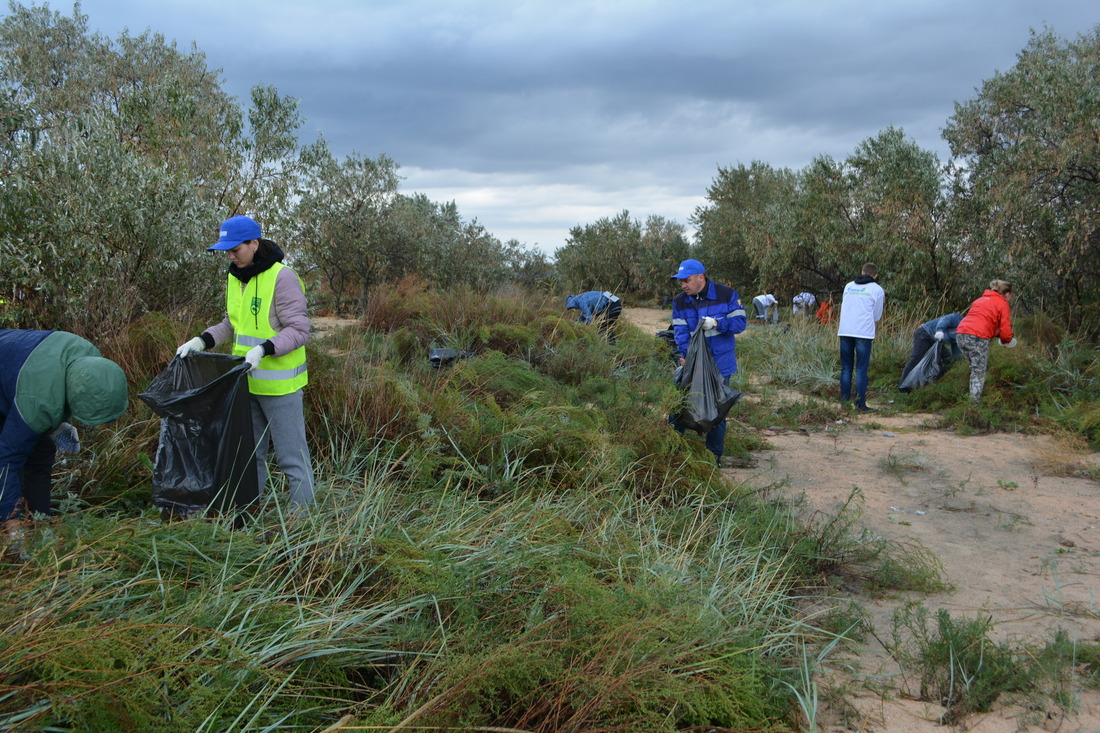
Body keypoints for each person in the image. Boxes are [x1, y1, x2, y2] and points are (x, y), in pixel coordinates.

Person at [175, 215, 315, 509]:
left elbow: (300, 331)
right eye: (226, 250)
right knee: (251, 457)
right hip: (246, 383)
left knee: (292, 459)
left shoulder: (282, 276)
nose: (230, 255)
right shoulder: (235, 276)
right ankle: (250, 517)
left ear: (254, 243)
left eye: (235, 249)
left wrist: (264, 349)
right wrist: (201, 341)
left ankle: (304, 526)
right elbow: (231, 325)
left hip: (281, 389)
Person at [0, 329, 128, 521]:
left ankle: (40, 521)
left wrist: (59, 425)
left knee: (41, 453)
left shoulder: (93, 361)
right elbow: (6, 461)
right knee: (12, 465)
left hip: (22, 377)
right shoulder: (38, 403)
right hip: (19, 386)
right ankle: (11, 531)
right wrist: (12, 523)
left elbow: (60, 384)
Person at [669, 259, 748, 466]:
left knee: (717, 410)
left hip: (721, 364)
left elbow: (740, 323)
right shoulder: (679, 301)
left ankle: (713, 456)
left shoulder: (726, 295)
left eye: (686, 280)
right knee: (678, 406)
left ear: (700, 278)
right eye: (681, 282)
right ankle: (673, 451)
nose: (683, 285)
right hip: (692, 364)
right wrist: (685, 355)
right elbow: (680, 331)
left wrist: (719, 323)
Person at [955, 280, 1016, 403]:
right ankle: (973, 406)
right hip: (977, 337)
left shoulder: (979, 300)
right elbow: (1005, 329)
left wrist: (996, 334)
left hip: (960, 334)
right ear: (1008, 294)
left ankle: (968, 399)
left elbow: (981, 322)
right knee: (979, 372)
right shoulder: (1002, 303)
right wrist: (1007, 340)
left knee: (974, 368)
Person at [837, 263, 885, 412]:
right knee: (861, 369)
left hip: (845, 330)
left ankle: (844, 403)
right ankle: (860, 404)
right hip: (863, 332)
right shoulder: (877, 289)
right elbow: (877, 315)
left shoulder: (849, 286)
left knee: (846, 367)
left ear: (862, 271)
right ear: (875, 275)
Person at [899, 313, 963, 389]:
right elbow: (944, 320)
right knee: (916, 358)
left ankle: (930, 383)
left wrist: (958, 365)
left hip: (935, 342)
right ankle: (903, 385)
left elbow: (957, 353)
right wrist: (940, 331)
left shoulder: (962, 335)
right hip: (925, 333)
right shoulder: (958, 318)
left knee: (947, 358)